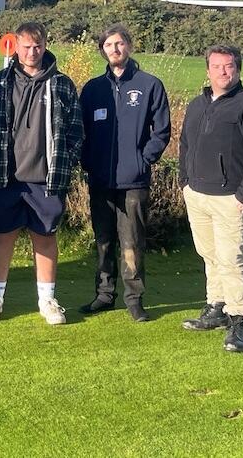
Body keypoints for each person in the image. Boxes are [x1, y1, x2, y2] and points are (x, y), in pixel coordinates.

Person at [0, 22, 83, 325]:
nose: (32, 52)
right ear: (16, 46)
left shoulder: (62, 84)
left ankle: (47, 301)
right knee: (2, 237)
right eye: (26, 46)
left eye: (37, 46)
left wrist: (66, 161)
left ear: (45, 45)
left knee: (46, 238)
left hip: (46, 179)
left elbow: (76, 131)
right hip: (6, 176)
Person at [179, 44, 243, 352]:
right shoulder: (197, 104)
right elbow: (185, 145)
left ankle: (238, 322)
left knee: (231, 261)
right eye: (217, 66)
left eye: (229, 66)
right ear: (207, 70)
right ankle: (216, 307)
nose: (222, 71)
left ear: (238, 69)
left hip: (232, 199)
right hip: (198, 196)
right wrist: (185, 183)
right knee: (210, 256)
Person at [79, 24, 170, 322]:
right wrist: (87, 161)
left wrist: (145, 159)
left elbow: (162, 130)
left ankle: (134, 299)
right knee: (104, 240)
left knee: (132, 241)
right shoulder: (93, 89)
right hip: (101, 178)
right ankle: (104, 295)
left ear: (129, 46)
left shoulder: (149, 85)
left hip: (134, 179)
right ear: (102, 50)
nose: (114, 49)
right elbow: (81, 131)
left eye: (119, 44)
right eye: (108, 45)